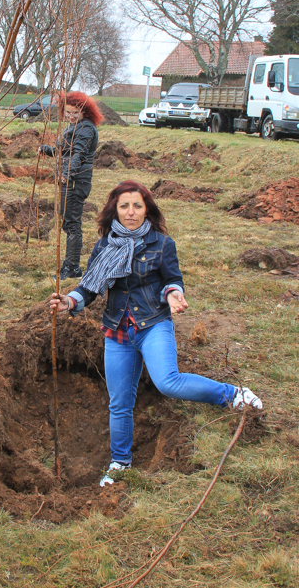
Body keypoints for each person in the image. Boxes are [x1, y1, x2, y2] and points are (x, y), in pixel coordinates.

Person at [50, 180, 263, 488]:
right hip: (118, 329)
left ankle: (233, 395)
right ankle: (120, 462)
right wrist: (70, 301)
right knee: (119, 402)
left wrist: (174, 293)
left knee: (168, 381)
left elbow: (172, 279)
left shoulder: (162, 244)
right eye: (124, 206)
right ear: (115, 210)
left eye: (137, 205)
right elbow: (90, 287)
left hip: (153, 324)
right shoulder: (105, 245)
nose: (131, 212)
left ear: (146, 208)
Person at [39, 92, 103, 279]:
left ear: (84, 111)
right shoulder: (76, 126)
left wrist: (67, 174)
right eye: (67, 112)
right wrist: (47, 150)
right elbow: (66, 151)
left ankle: (72, 267)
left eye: (75, 112)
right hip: (71, 179)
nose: (71, 116)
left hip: (76, 181)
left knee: (72, 224)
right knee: (68, 222)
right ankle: (70, 265)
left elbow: (79, 154)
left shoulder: (85, 129)